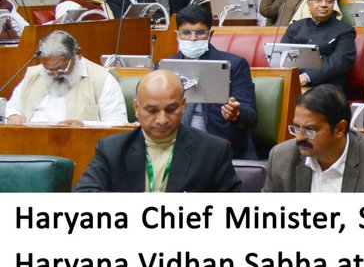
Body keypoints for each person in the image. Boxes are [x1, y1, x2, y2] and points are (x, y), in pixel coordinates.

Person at [75, 70, 240, 192]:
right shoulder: (112, 149)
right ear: (137, 108)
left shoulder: (213, 151)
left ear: (183, 105)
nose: (162, 120)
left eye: (171, 109)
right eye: (152, 111)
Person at [263, 85, 364, 193]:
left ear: (340, 129)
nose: (299, 138)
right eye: (296, 128)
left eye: (310, 130)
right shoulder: (281, 158)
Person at [167, 5, 257, 158]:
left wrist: (236, 113)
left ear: (211, 34)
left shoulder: (234, 64)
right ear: (177, 35)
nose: (193, 38)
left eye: (200, 33)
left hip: (219, 150)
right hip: (173, 148)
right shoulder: (165, 67)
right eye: (186, 33)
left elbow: (251, 117)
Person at [3, 30, 127, 126]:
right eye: (49, 70)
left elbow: (119, 123)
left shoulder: (102, 78)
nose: (55, 74)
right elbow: (12, 106)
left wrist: (85, 125)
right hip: (29, 144)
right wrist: (14, 115)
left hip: (79, 146)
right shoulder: (34, 74)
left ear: (78, 54)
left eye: (61, 68)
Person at [281, 0, 358, 93]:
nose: (324, 5)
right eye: (318, 0)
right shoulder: (295, 27)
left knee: (300, 95)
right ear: (309, 4)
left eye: (329, 1)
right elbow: (281, 56)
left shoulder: (345, 30)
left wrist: (306, 77)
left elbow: (339, 62)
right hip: (293, 82)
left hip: (326, 87)